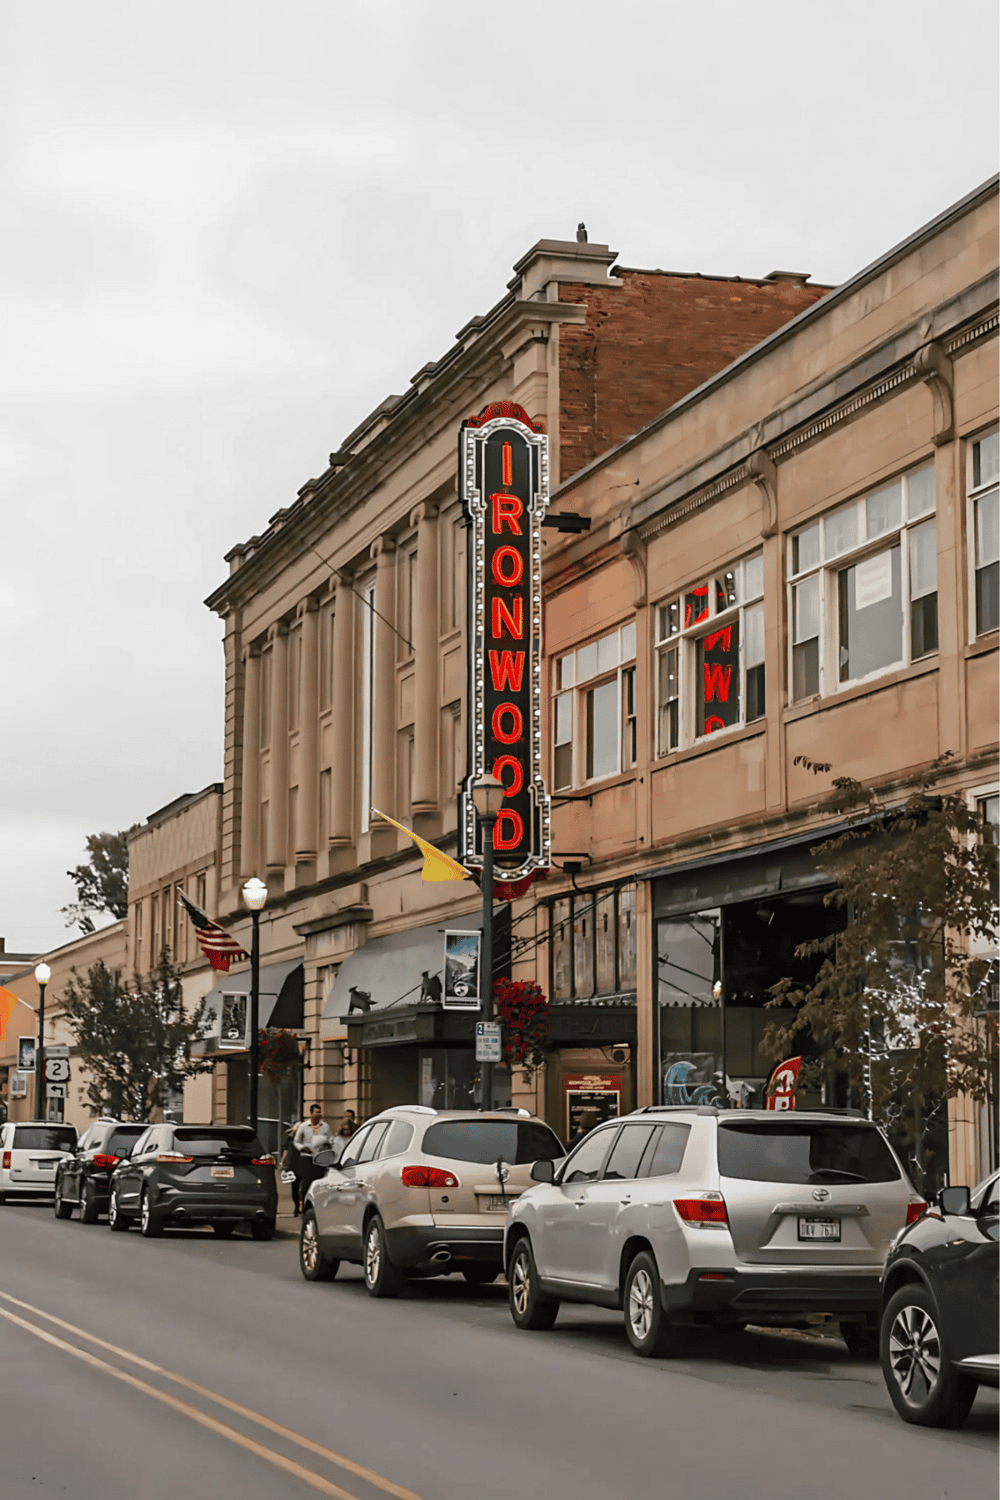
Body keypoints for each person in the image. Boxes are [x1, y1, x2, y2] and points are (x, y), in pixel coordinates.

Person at [293, 1104, 335, 1198]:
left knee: (319, 1179)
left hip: (320, 1157)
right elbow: (296, 1141)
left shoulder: (325, 1126)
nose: (319, 1114)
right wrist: (302, 1148)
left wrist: (330, 1142)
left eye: (320, 1112)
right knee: (307, 1180)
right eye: (317, 1112)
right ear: (311, 1113)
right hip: (307, 1157)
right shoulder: (304, 1126)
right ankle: (304, 1201)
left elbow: (331, 1138)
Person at [281, 1122, 305, 1216]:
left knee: (302, 1188)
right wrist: (282, 1162)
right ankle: (297, 1207)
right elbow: (286, 1151)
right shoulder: (290, 1138)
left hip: (302, 1164)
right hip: (293, 1165)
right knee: (295, 1188)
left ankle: (301, 1207)